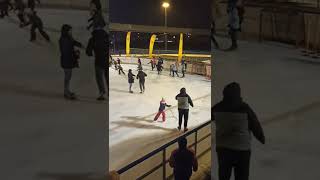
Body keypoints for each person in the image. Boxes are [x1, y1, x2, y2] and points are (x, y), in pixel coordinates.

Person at [212, 82, 265, 180]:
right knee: (242, 176)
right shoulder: (245, 108)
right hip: (242, 150)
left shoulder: (217, 107)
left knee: (224, 175)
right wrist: (261, 138)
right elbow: (255, 124)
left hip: (223, 148)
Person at [59, 24, 83, 100]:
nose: (71, 31)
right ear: (66, 31)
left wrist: (79, 45)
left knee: (68, 77)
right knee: (67, 77)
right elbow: (66, 52)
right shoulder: (64, 40)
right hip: (67, 60)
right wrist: (75, 54)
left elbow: (73, 42)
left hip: (68, 60)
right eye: (70, 30)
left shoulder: (68, 38)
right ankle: (66, 92)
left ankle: (67, 91)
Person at [86, 28, 109, 100]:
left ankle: (102, 92)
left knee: (99, 78)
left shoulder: (93, 39)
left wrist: (90, 53)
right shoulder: (106, 37)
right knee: (107, 77)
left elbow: (88, 51)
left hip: (98, 61)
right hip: (106, 60)